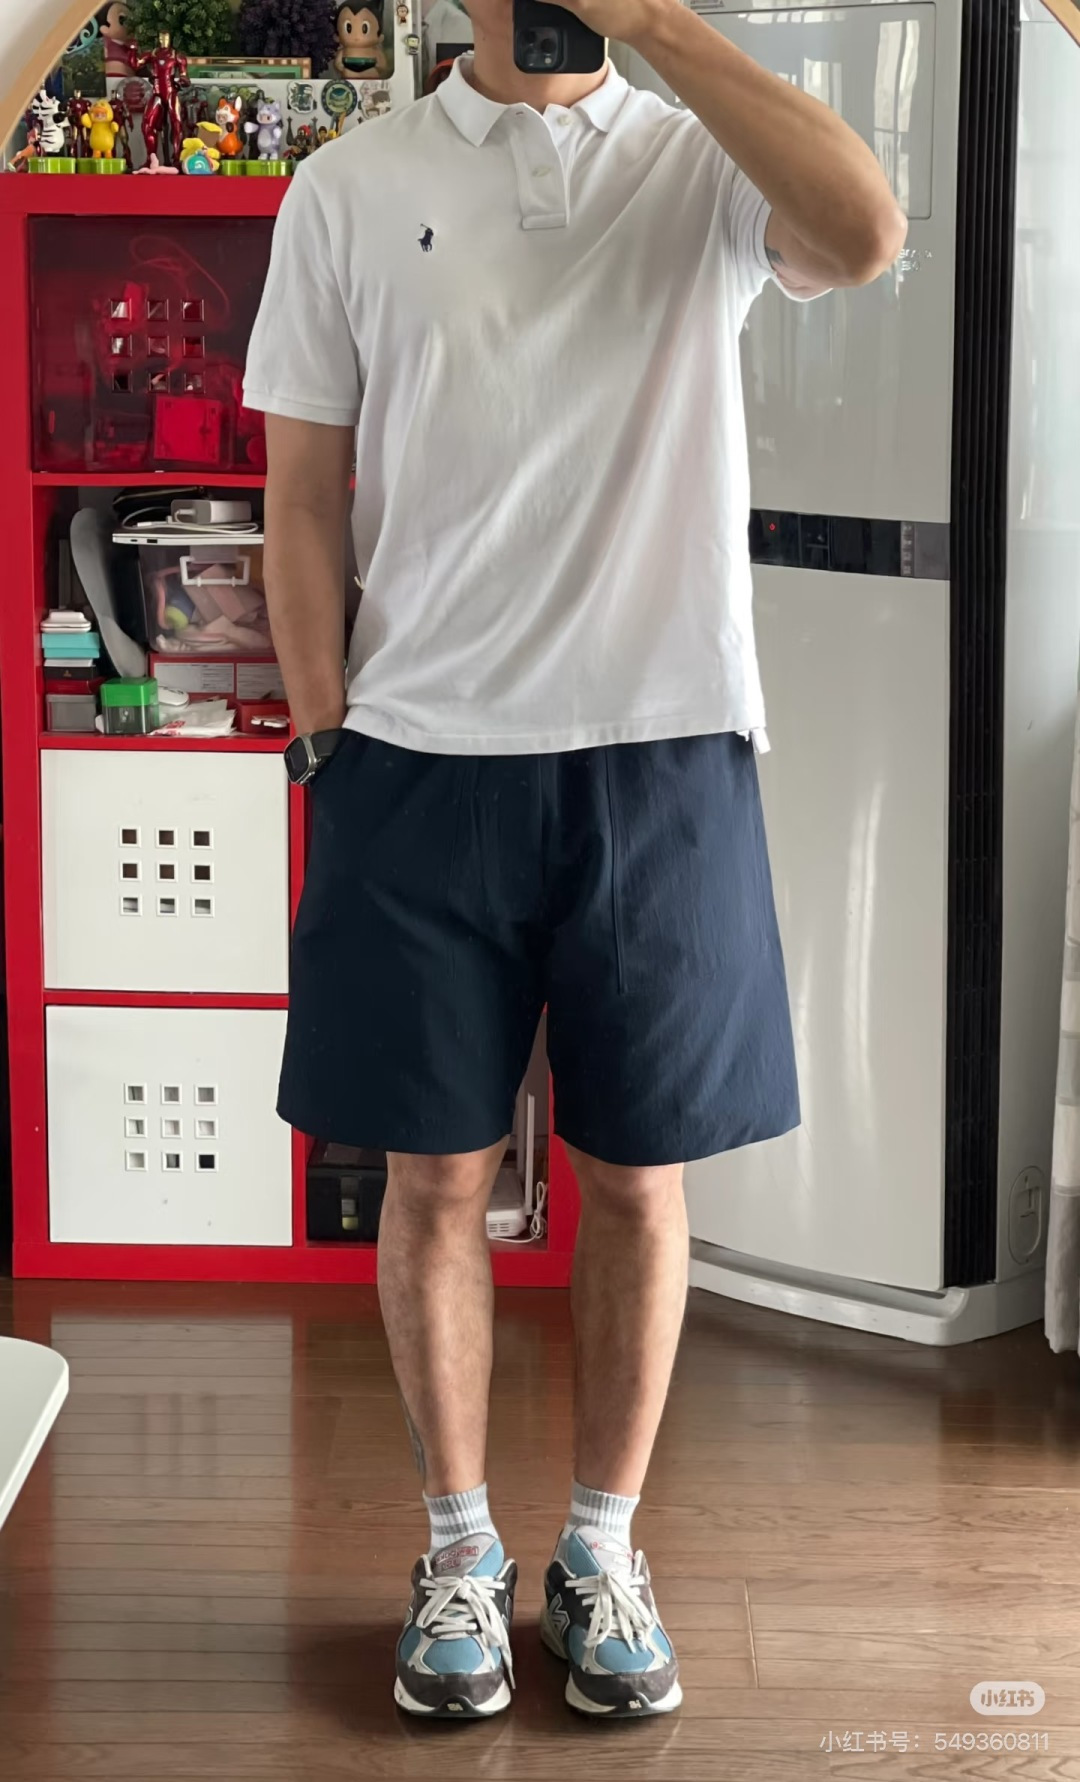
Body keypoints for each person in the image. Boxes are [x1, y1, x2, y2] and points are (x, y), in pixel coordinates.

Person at [242, 0, 904, 1723]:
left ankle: (602, 1547)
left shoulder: (701, 165)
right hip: (416, 759)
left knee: (639, 1178)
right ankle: (459, 1548)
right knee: (434, 1181)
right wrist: (324, 741)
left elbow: (865, 230)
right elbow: (300, 493)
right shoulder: (348, 186)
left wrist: (658, 25)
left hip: (663, 746)